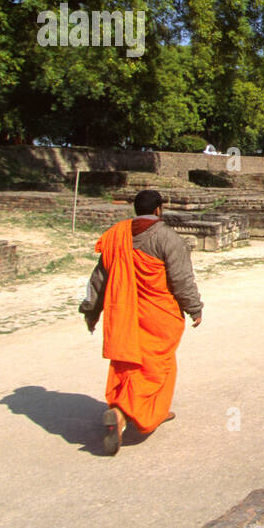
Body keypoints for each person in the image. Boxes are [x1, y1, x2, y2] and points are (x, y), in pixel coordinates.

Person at [79, 190, 203, 455]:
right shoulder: (168, 238)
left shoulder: (116, 236)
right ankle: (126, 414)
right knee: (157, 366)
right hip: (158, 316)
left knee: (129, 362)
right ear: (159, 209)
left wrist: (91, 310)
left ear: (136, 209)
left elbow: (98, 279)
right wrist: (194, 308)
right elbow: (182, 281)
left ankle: (137, 409)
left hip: (123, 315)